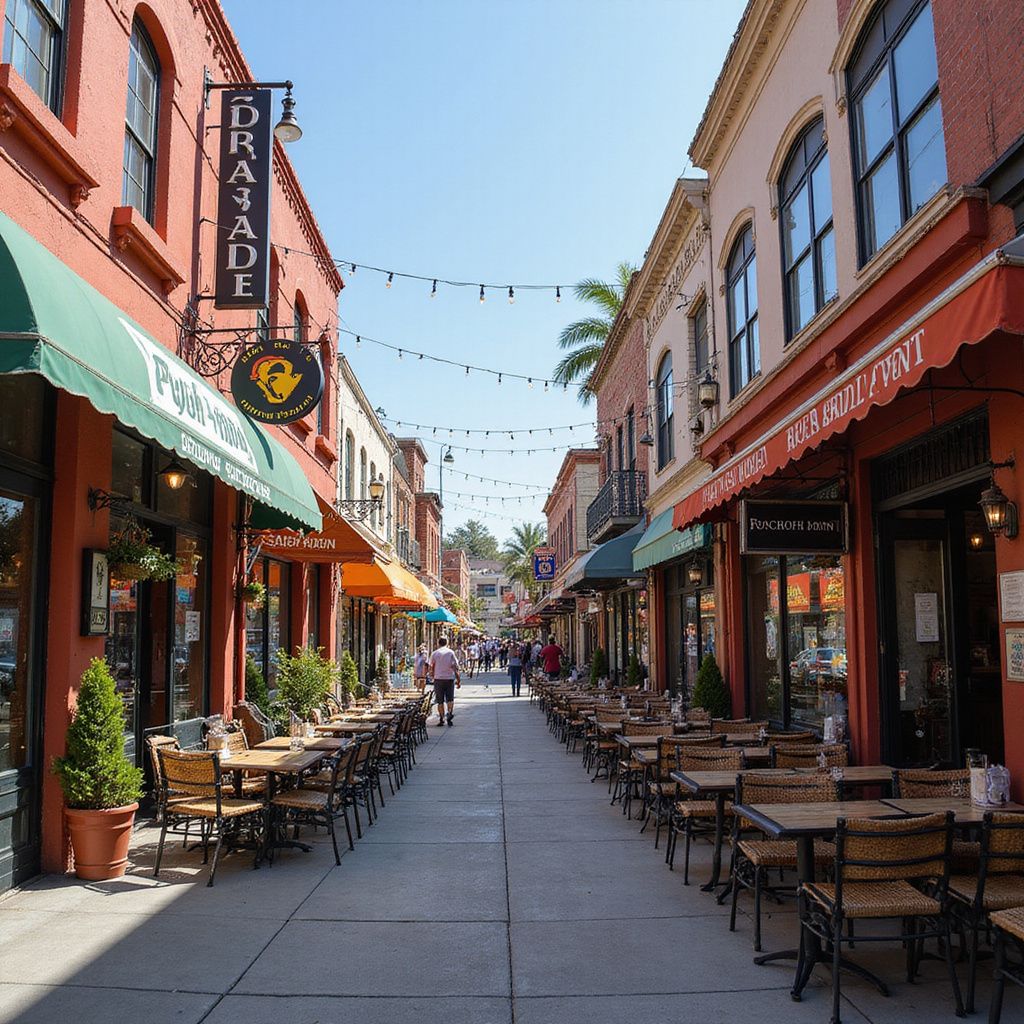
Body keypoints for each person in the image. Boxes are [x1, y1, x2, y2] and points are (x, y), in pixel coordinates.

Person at [428, 635, 461, 726]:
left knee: (440, 700)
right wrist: (458, 679)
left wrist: (431, 676)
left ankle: (442, 718)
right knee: (450, 698)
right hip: (449, 679)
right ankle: (449, 713)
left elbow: (431, 666)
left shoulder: (435, 653)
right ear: (447, 643)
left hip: (438, 679)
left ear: (438, 643)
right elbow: (455, 667)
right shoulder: (451, 653)